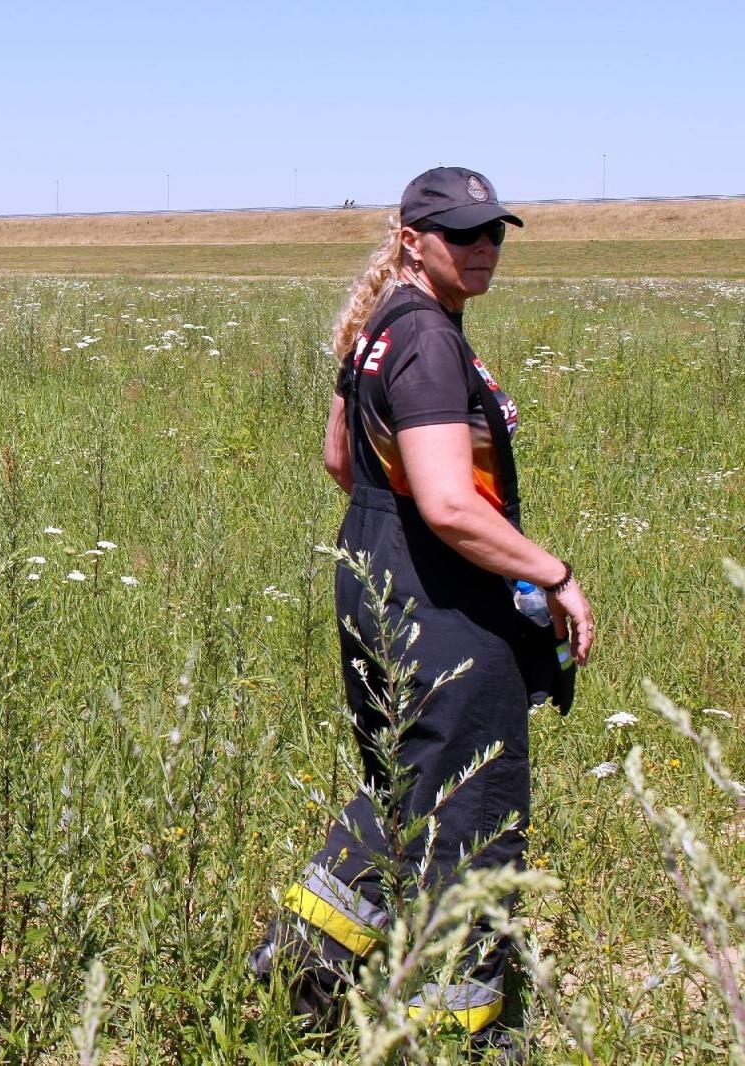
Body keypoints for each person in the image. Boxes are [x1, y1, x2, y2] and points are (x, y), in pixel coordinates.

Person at [252, 167, 595, 1049]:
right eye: (463, 234)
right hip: (439, 594)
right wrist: (552, 574)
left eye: (495, 233)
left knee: (404, 787)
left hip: (377, 573)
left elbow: (340, 458)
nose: (483, 248)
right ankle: (459, 1028)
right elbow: (448, 504)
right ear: (412, 238)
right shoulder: (430, 341)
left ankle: (302, 962)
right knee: (470, 804)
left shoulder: (379, 326)